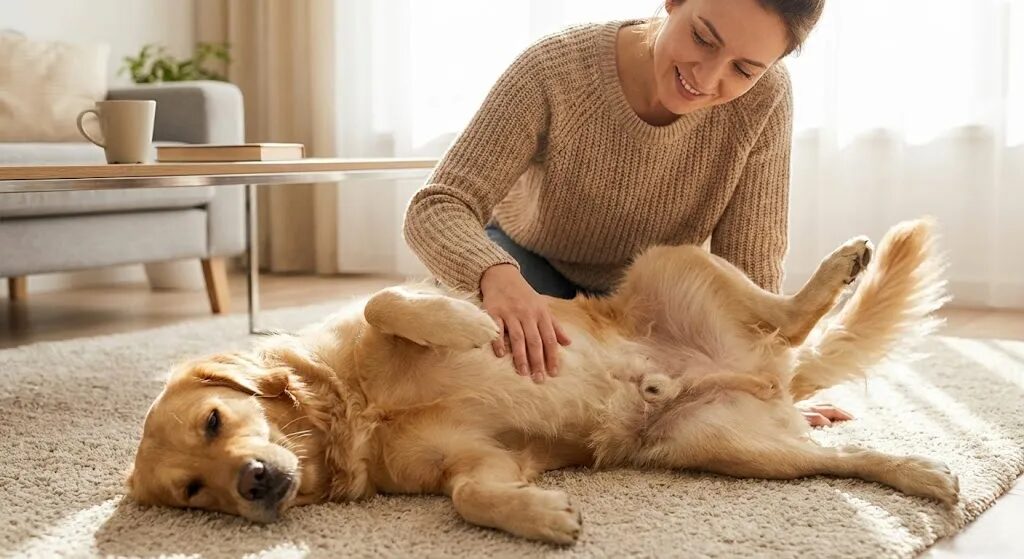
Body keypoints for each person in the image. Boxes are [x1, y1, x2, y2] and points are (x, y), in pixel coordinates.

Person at [404, 0, 845, 427]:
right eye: (702, 38)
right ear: (673, 2)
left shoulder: (766, 97)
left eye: (744, 70)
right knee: (504, 378)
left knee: (675, 403)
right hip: (531, 268)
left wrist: (769, 393)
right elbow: (438, 204)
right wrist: (496, 277)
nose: (707, 77)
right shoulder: (554, 69)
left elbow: (749, 267)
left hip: (650, 302)